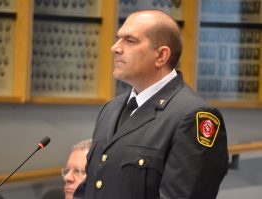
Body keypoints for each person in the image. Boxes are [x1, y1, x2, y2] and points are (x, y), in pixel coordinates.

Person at [74, 10, 229, 199]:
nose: (115, 48)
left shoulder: (193, 116)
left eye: (130, 41)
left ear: (161, 56)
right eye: (118, 39)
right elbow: (92, 186)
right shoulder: (111, 109)